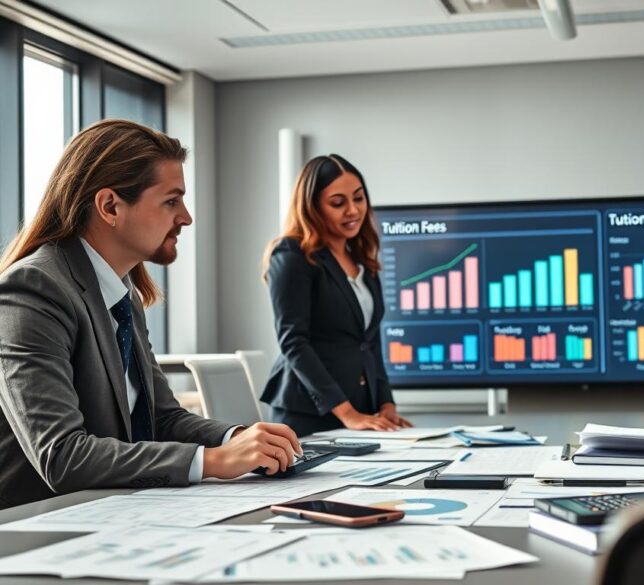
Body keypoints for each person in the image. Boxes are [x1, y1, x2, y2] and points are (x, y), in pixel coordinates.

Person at [0, 119, 303, 509]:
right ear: (110, 206)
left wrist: (238, 440)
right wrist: (211, 461)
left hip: (113, 510)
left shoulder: (121, 293)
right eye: (171, 201)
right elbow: (62, 456)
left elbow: (159, 419)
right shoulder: (32, 290)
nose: (187, 217)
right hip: (32, 528)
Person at [261, 154, 411, 437]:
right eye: (338, 203)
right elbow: (294, 342)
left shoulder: (363, 260)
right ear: (313, 207)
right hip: (310, 415)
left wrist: (386, 402)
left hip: (360, 412)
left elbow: (371, 341)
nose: (353, 210)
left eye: (359, 198)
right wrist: (347, 414)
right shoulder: (292, 255)